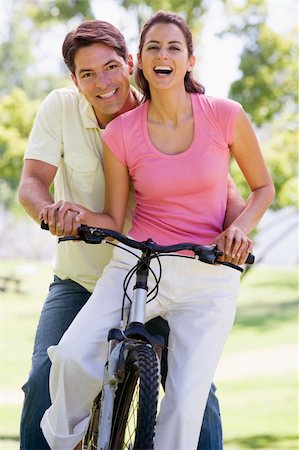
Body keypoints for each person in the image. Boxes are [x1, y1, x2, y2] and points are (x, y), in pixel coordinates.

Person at [38, 10, 275, 450]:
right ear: (140, 62)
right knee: (70, 356)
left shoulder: (225, 115)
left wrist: (240, 231)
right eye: (153, 47)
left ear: (190, 60)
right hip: (140, 266)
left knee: (186, 406)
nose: (163, 55)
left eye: (173, 47)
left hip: (208, 272)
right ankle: (64, 443)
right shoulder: (122, 133)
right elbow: (111, 217)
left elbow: (263, 188)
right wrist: (70, 213)